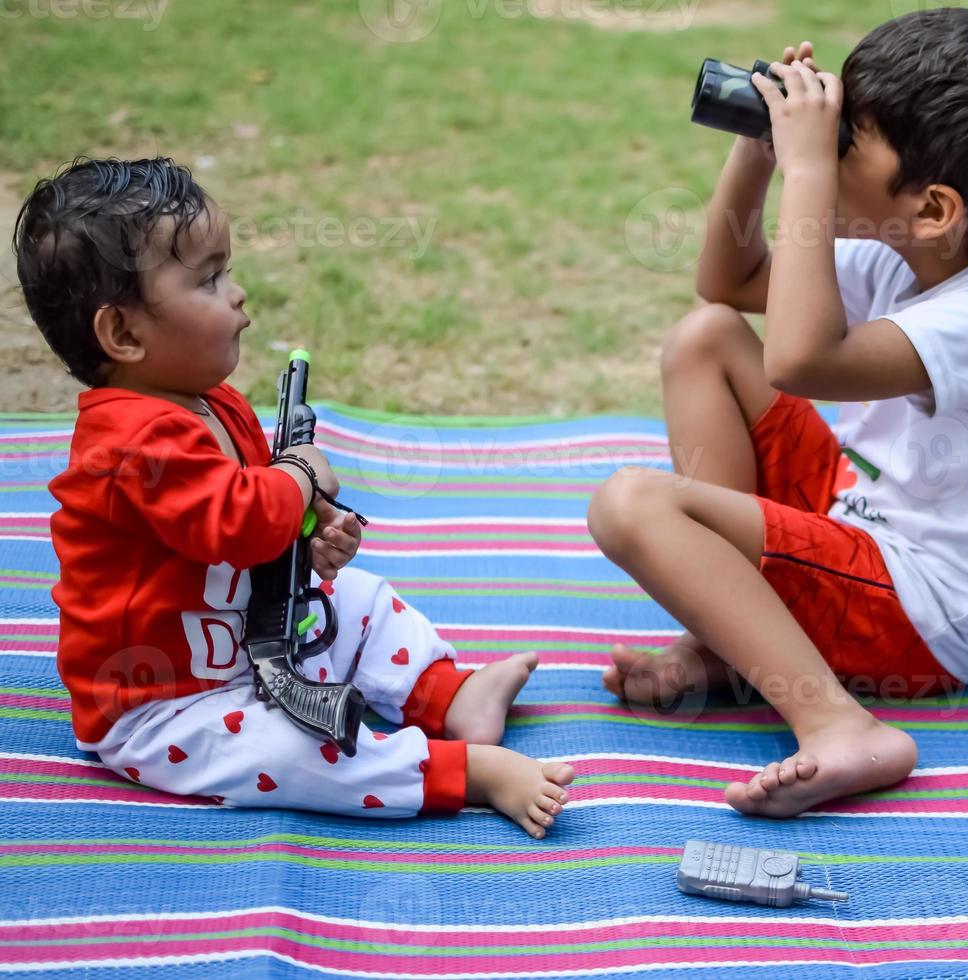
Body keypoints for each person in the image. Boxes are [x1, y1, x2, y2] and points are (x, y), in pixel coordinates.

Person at [588, 9, 968, 817]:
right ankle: (735, 649)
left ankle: (839, 724)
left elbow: (798, 360)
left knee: (631, 504)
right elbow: (729, 282)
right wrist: (759, 151)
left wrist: (809, 172)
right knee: (707, 338)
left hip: (926, 610)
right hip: (858, 519)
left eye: (849, 138)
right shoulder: (913, 248)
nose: (824, 140)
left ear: (933, 209)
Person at [14, 157, 573, 838]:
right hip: (167, 705)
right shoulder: (128, 445)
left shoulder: (215, 405)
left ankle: (449, 695)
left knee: (362, 601)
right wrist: (302, 473)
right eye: (210, 279)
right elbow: (238, 519)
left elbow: (261, 516)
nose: (239, 294)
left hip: (257, 636)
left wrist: (311, 535)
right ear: (124, 335)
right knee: (295, 751)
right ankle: (464, 772)